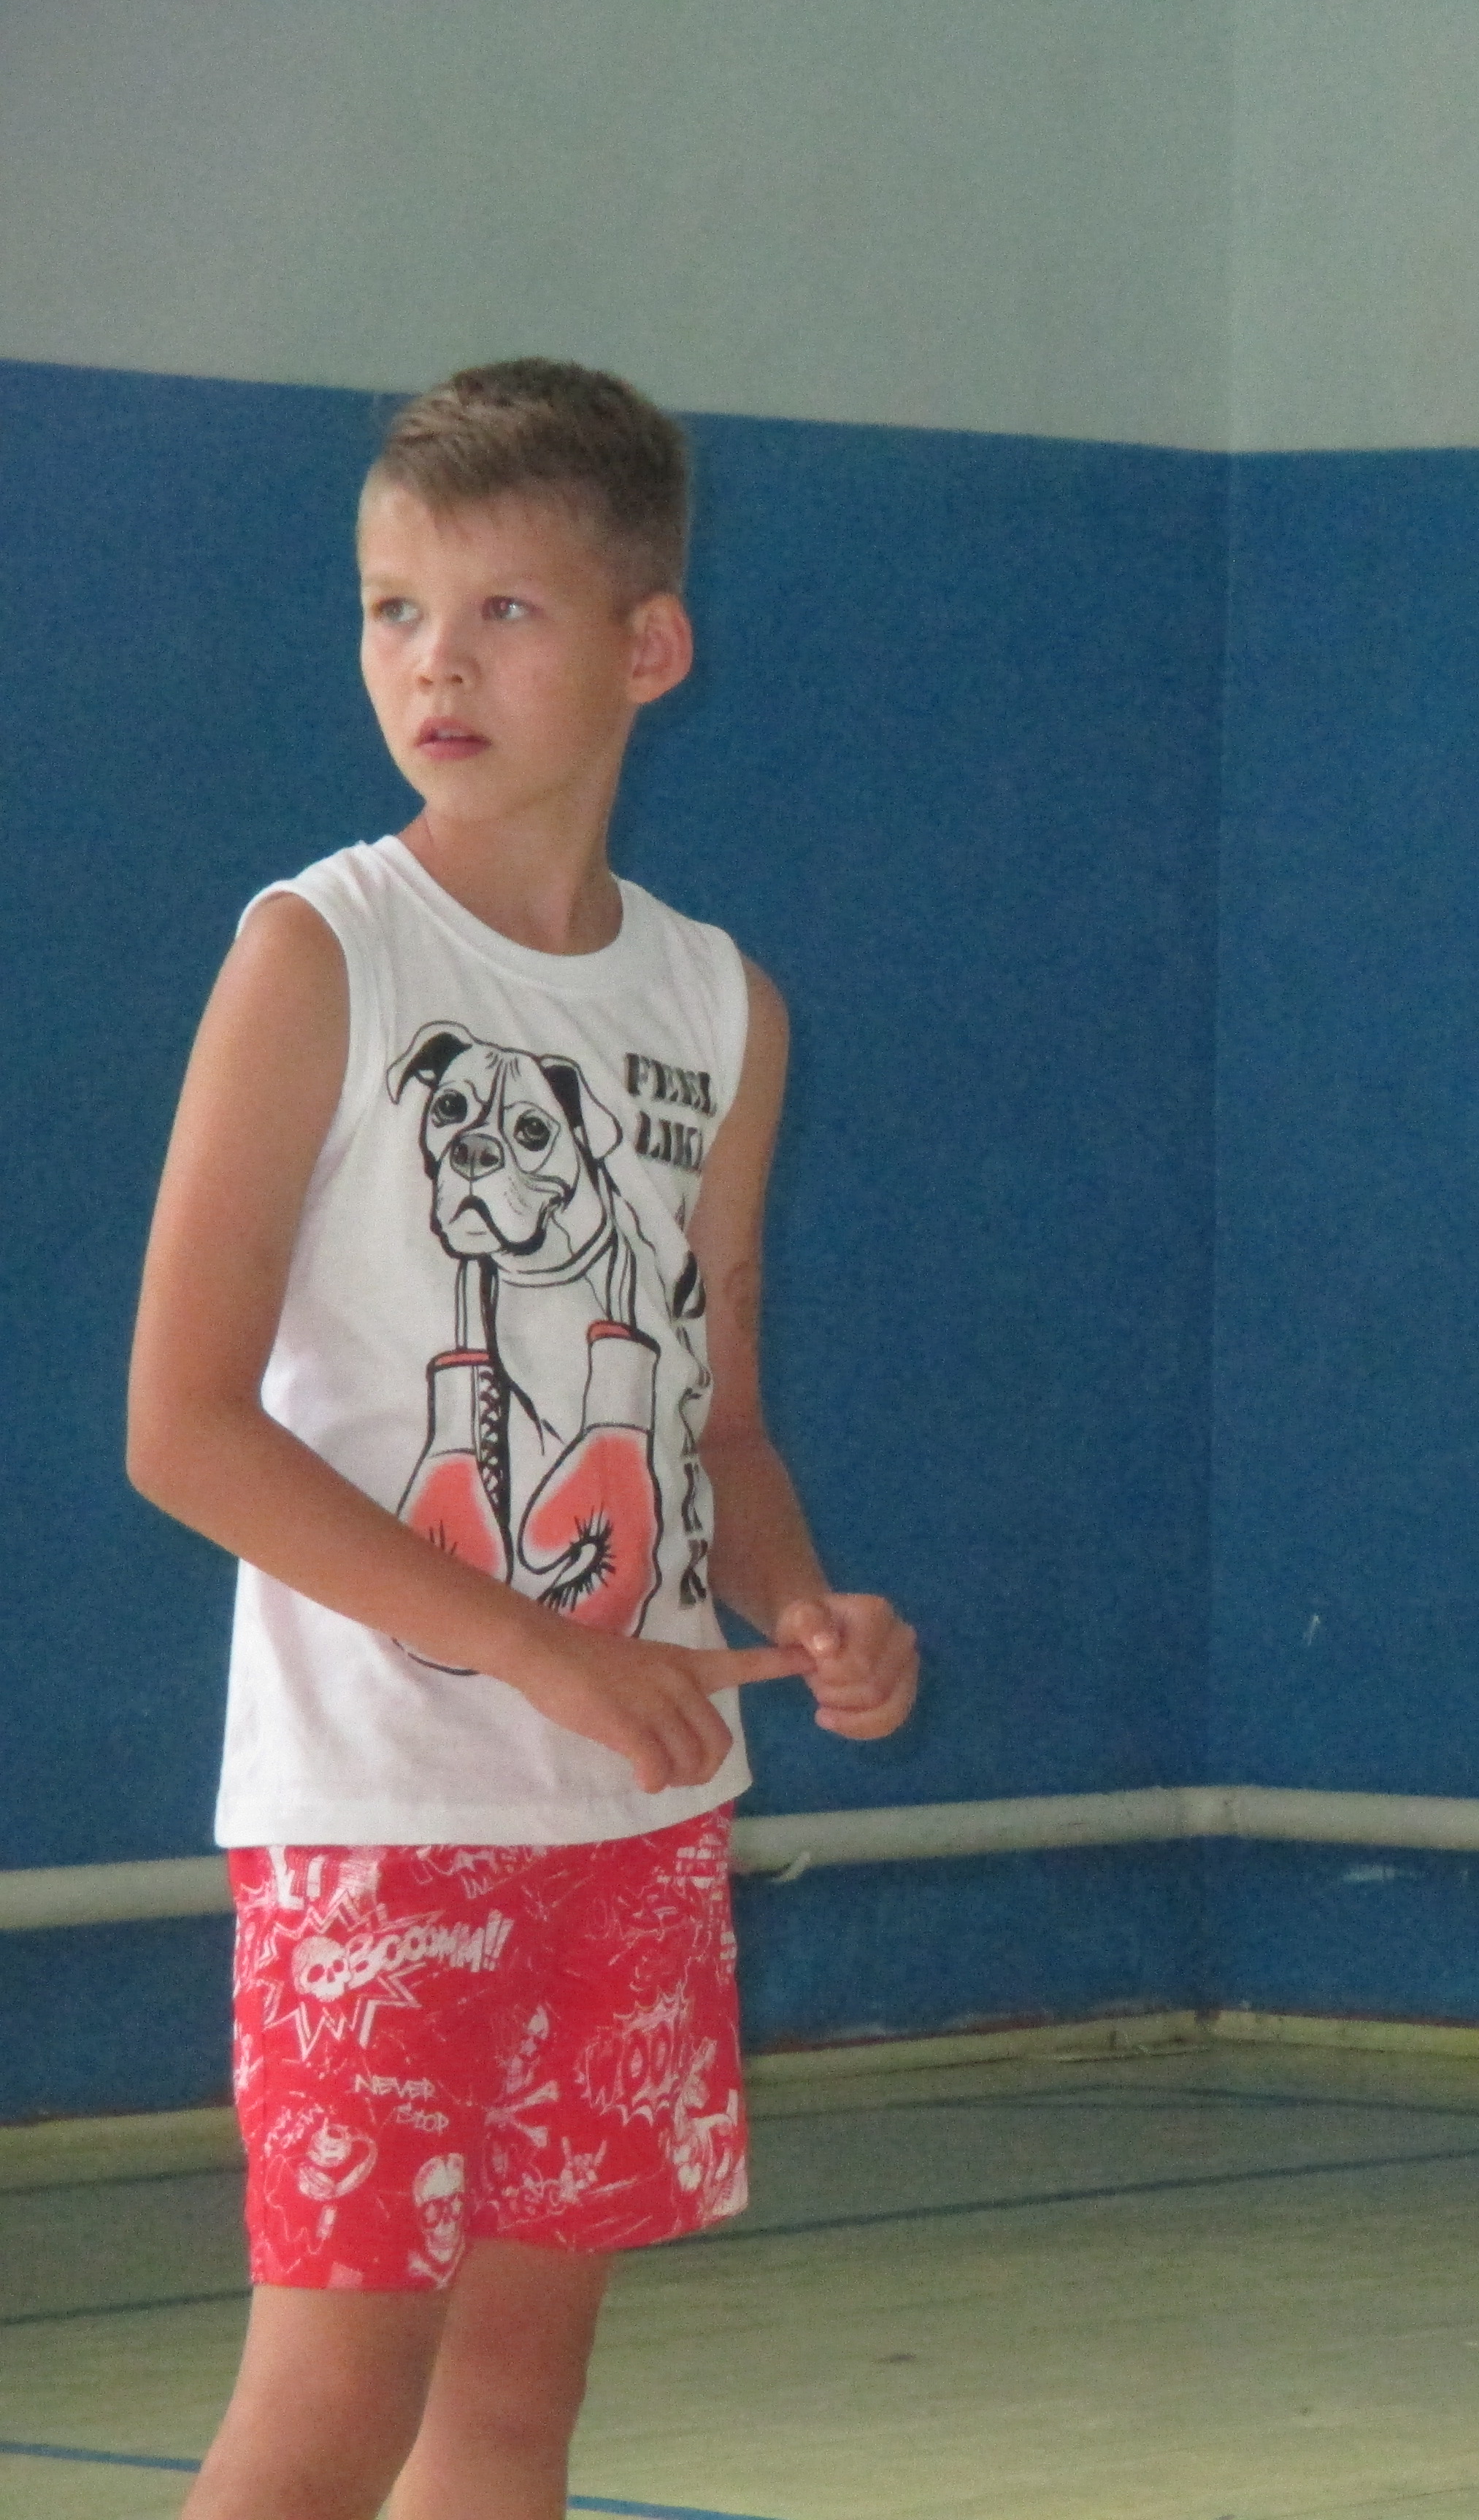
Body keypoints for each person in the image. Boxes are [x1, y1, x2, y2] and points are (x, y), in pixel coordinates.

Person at [126, 359, 919, 2519]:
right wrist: (534, 1647)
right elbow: (182, 1428)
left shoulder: (720, 1006)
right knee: (331, 2412)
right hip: (382, 1814)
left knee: (508, 2419)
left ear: (649, 646)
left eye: (503, 612)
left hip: (628, 1821)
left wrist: (807, 1607)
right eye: (393, 610)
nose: (436, 665)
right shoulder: (321, 953)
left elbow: (717, 1420)